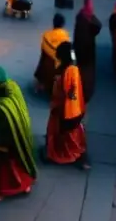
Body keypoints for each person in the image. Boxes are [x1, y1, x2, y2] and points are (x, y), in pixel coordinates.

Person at [0, 66, 37, 202]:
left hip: (7, 138)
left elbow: (0, 125)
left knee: (3, 165)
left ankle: (1, 191)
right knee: (21, 158)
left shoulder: (1, 106)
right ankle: (25, 183)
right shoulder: (12, 86)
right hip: (22, 128)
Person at [45, 41, 89, 169]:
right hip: (75, 111)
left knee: (62, 135)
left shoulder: (68, 72)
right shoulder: (74, 69)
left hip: (65, 112)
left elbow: (65, 93)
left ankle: (62, 154)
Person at [73, 0, 102, 103]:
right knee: (88, 74)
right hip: (87, 53)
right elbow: (98, 26)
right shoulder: (89, 20)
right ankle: (85, 94)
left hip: (79, 51)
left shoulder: (80, 16)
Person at [35, 13, 71, 95]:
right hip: (60, 69)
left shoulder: (46, 35)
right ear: (63, 24)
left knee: (44, 55)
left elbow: (43, 50)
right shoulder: (66, 36)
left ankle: (41, 81)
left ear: (53, 23)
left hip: (47, 68)